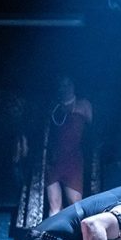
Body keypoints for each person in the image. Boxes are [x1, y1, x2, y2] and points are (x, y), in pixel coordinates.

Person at [44, 76, 93, 215]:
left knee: (76, 206)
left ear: (73, 85)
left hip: (73, 161)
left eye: (68, 84)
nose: (65, 88)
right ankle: (54, 229)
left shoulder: (84, 105)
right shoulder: (54, 107)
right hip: (54, 160)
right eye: (62, 85)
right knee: (54, 207)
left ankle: (76, 230)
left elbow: (92, 133)